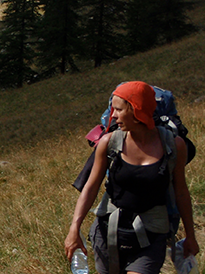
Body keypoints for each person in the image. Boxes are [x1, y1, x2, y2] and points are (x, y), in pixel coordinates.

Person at [64, 81, 199, 274]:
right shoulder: (109, 142)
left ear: (137, 110)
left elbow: (181, 192)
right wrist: (74, 229)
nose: (114, 115)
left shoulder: (174, 145)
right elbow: (90, 188)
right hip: (108, 232)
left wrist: (190, 236)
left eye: (119, 110)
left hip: (151, 233)